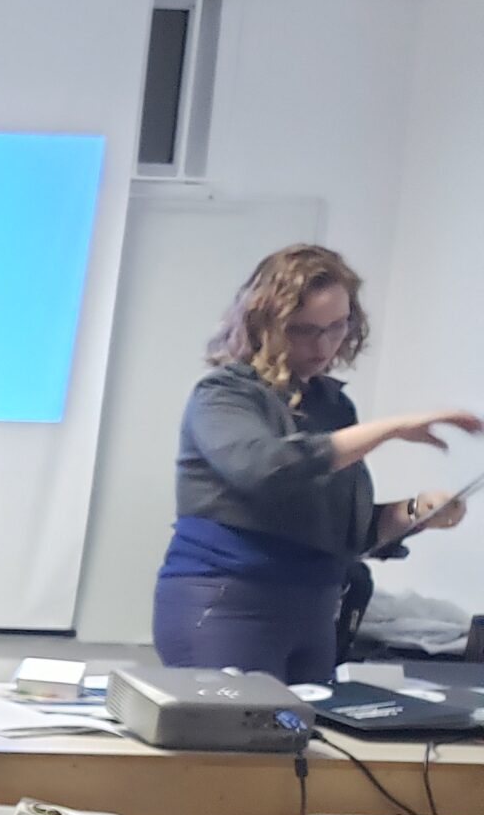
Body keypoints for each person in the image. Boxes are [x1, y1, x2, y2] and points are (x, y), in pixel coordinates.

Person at [153, 244, 479, 682]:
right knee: (237, 727)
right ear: (264, 323)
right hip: (227, 603)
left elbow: (343, 533)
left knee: (310, 729)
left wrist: (416, 512)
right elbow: (265, 469)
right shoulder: (224, 394)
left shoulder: (332, 405)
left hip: (315, 612)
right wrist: (389, 428)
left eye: (337, 326)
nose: (323, 345)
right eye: (303, 330)